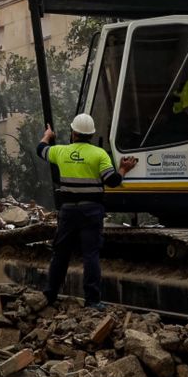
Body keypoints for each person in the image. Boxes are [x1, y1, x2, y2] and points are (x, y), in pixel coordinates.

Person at [37, 113, 139, 308]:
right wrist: (124, 169)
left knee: (61, 253)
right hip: (91, 212)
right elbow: (113, 181)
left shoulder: (61, 151)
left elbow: (40, 149)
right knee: (90, 255)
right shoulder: (99, 154)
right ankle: (92, 300)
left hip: (68, 212)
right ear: (91, 134)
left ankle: (50, 294)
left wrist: (48, 135)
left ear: (73, 133)